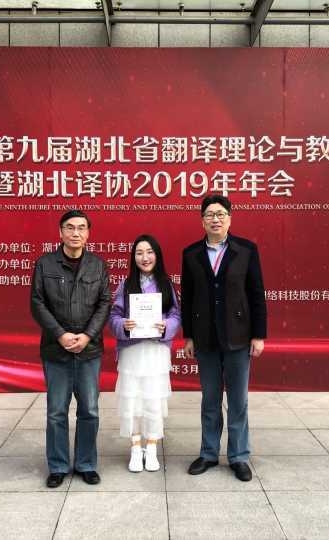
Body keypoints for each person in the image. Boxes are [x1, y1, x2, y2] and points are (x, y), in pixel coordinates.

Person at [181, 195, 267, 482]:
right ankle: (208, 453)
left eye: (220, 214)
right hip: (204, 339)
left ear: (230, 217)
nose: (215, 219)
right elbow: (188, 298)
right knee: (210, 398)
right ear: (202, 220)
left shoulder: (246, 250)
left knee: (238, 400)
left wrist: (258, 335)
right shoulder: (191, 253)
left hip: (238, 337)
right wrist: (188, 336)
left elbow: (256, 294)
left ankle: (239, 456)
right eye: (209, 214)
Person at [30, 209, 111, 488]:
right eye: (70, 227)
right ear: (60, 232)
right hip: (56, 350)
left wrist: (87, 336)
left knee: (89, 410)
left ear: (88, 233)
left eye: (81, 228)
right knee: (56, 412)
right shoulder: (45, 264)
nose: (75, 233)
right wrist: (61, 334)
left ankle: (86, 464)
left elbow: (104, 303)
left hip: (89, 351)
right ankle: (58, 466)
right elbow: (37, 303)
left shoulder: (98, 266)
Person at [109, 235, 181, 473]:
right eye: (139, 253)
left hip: (155, 352)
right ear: (133, 258)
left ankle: (151, 448)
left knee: (153, 400)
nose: (145, 257)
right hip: (132, 353)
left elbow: (176, 315)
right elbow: (114, 316)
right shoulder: (125, 284)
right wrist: (123, 325)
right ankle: (135, 447)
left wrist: (167, 326)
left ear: (157, 256)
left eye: (149, 252)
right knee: (132, 401)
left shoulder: (166, 284)